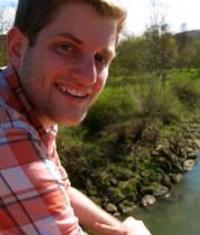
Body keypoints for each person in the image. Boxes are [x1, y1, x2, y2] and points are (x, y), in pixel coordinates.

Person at [0, 0, 152, 234]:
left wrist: (121, 231)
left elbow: (59, 187)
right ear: (18, 48)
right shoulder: (8, 132)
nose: (88, 76)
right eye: (66, 47)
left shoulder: (29, 103)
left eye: (100, 58)